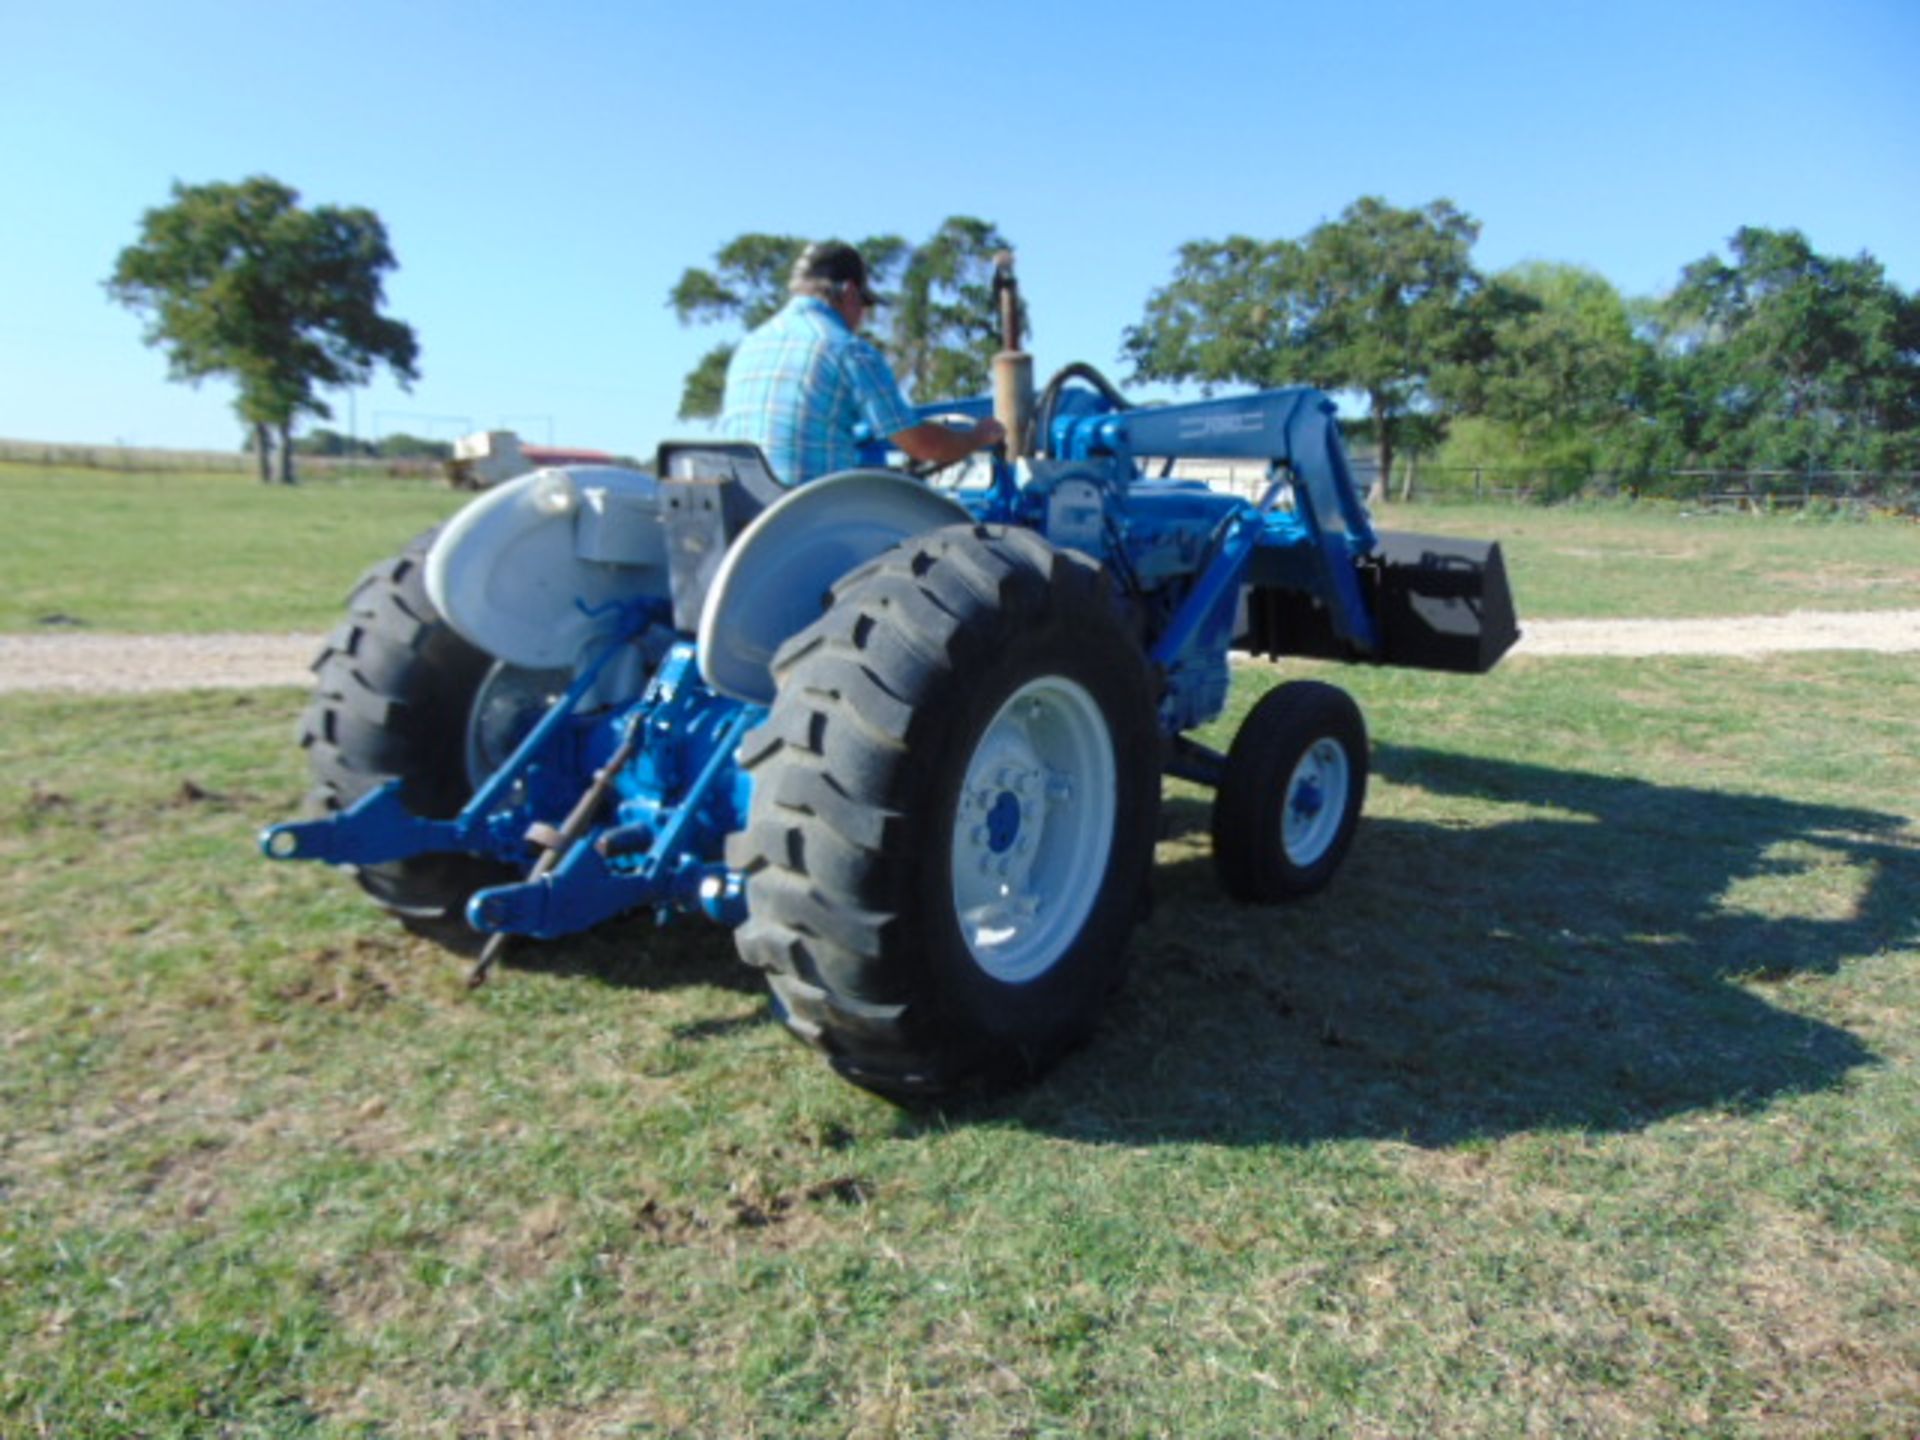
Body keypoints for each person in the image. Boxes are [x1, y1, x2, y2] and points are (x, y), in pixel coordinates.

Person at [718, 241, 1005, 487]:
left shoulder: (751, 345)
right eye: (864, 305)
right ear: (850, 292)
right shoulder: (847, 349)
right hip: (811, 519)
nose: (862, 318)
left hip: (745, 516)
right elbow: (922, 446)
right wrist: (976, 437)